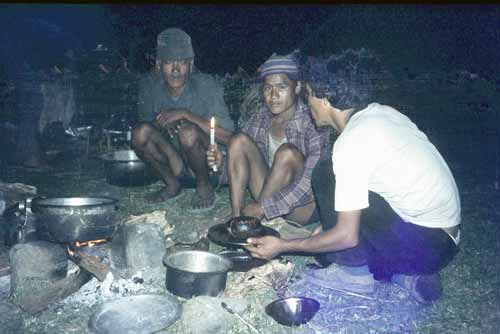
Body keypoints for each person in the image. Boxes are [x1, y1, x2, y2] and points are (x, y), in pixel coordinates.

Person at [244, 50, 461, 303]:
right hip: (444, 242)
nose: (308, 103)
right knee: (327, 242)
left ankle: (354, 274)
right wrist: (325, 227)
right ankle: (406, 275)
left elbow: (347, 235)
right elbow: (371, 199)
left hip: (424, 242)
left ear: (323, 99)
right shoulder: (380, 112)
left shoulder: (350, 143)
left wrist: (282, 245)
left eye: (310, 95)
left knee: (325, 174)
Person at [208, 53, 329, 224]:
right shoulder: (260, 118)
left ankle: (251, 222)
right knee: (238, 140)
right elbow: (241, 169)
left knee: (287, 153)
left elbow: (311, 181)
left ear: (297, 87)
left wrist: (263, 208)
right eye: (267, 88)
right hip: (267, 197)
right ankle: (237, 219)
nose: (273, 96)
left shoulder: (313, 121)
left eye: (281, 87)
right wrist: (221, 164)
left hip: (301, 207)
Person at [132, 28, 234, 209]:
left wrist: (187, 115)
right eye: (169, 63)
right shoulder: (148, 86)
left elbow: (229, 138)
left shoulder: (207, 85)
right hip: (174, 163)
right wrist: (164, 124)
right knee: (139, 133)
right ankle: (172, 184)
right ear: (158, 64)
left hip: (207, 165)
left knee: (188, 131)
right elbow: (148, 131)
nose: (176, 70)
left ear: (191, 64)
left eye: (182, 63)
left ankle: (204, 187)